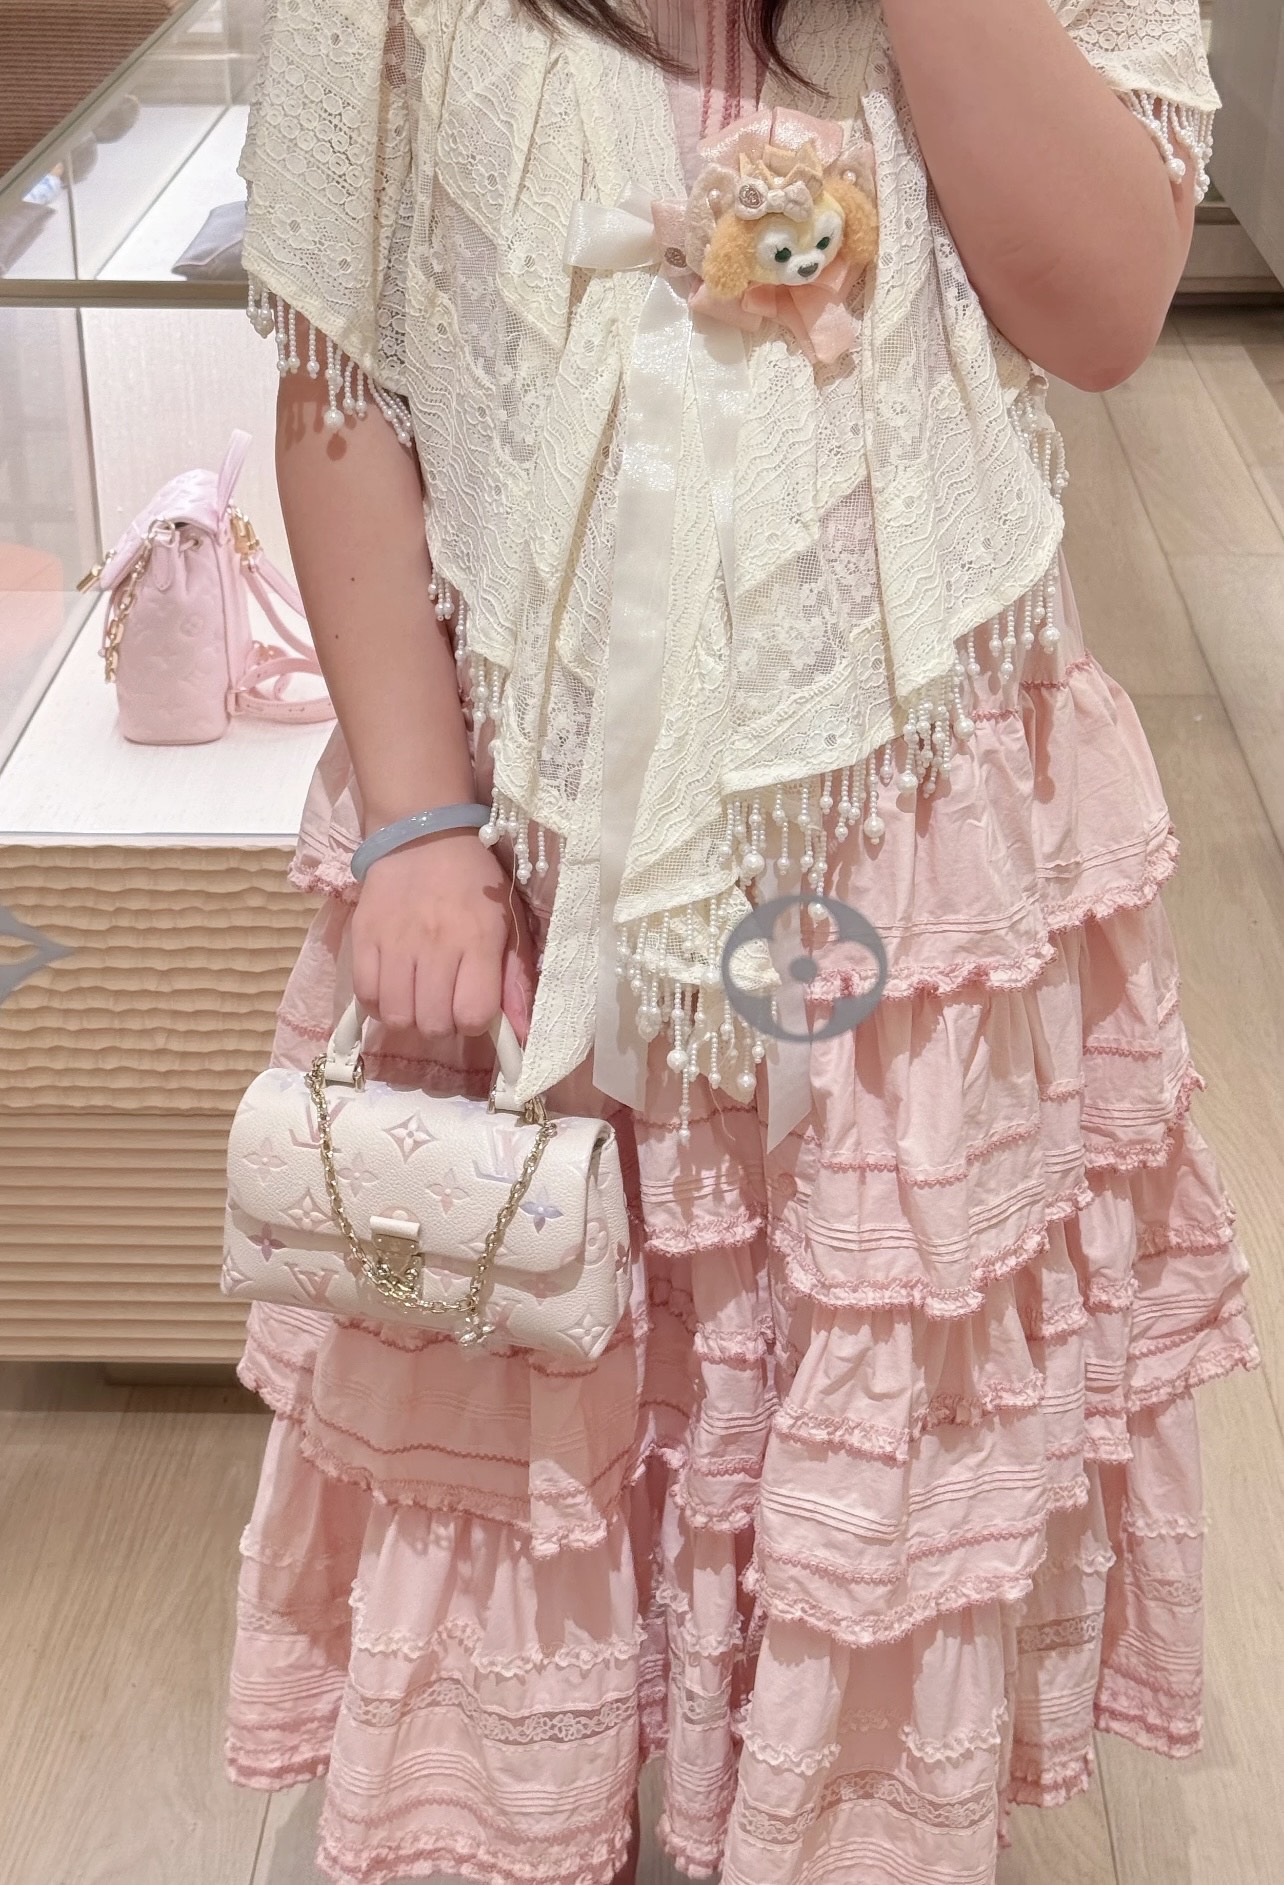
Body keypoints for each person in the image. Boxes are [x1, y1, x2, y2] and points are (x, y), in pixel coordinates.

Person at [223, 2, 1260, 1880]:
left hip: (903, 845)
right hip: (527, 844)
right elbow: (337, 354)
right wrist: (416, 818)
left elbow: (1105, 303)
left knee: (864, 1437)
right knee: (536, 1392)